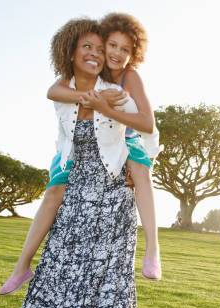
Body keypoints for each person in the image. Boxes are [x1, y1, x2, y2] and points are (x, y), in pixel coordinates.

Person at [0, 17, 149, 308]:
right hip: (75, 186)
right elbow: (53, 92)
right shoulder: (63, 87)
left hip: (111, 193)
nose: (97, 53)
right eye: (89, 47)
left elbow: (140, 126)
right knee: (62, 261)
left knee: (105, 273)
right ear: (70, 51)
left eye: (102, 48)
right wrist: (87, 98)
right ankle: (24, 271)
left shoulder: (112, 87)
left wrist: (134, 161)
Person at [47, 13, 161, 281]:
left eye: (126, 50)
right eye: (112, 45)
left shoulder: (130, 77)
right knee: (56, 186)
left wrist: (102, 106)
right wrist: (91, 98)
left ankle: (153, 250)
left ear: (134, 54)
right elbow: (54, 91)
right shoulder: (94, 70)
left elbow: (146, 123)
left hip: (131, 138)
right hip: (98, 142)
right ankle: (25, 263)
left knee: (141, 175)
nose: (117, 54)